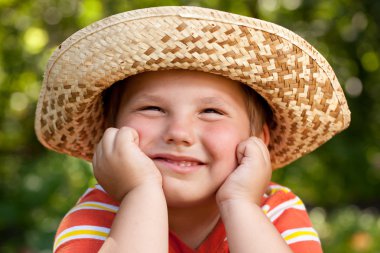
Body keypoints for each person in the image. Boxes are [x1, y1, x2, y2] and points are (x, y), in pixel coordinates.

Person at [34, 6, 351, 253]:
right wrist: (140, 193)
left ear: (259, 142)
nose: (179, 132)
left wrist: (239, 204)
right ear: (111, 133)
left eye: (211, 111)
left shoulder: (276, 211)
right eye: (152, 108)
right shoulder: (97, 215)